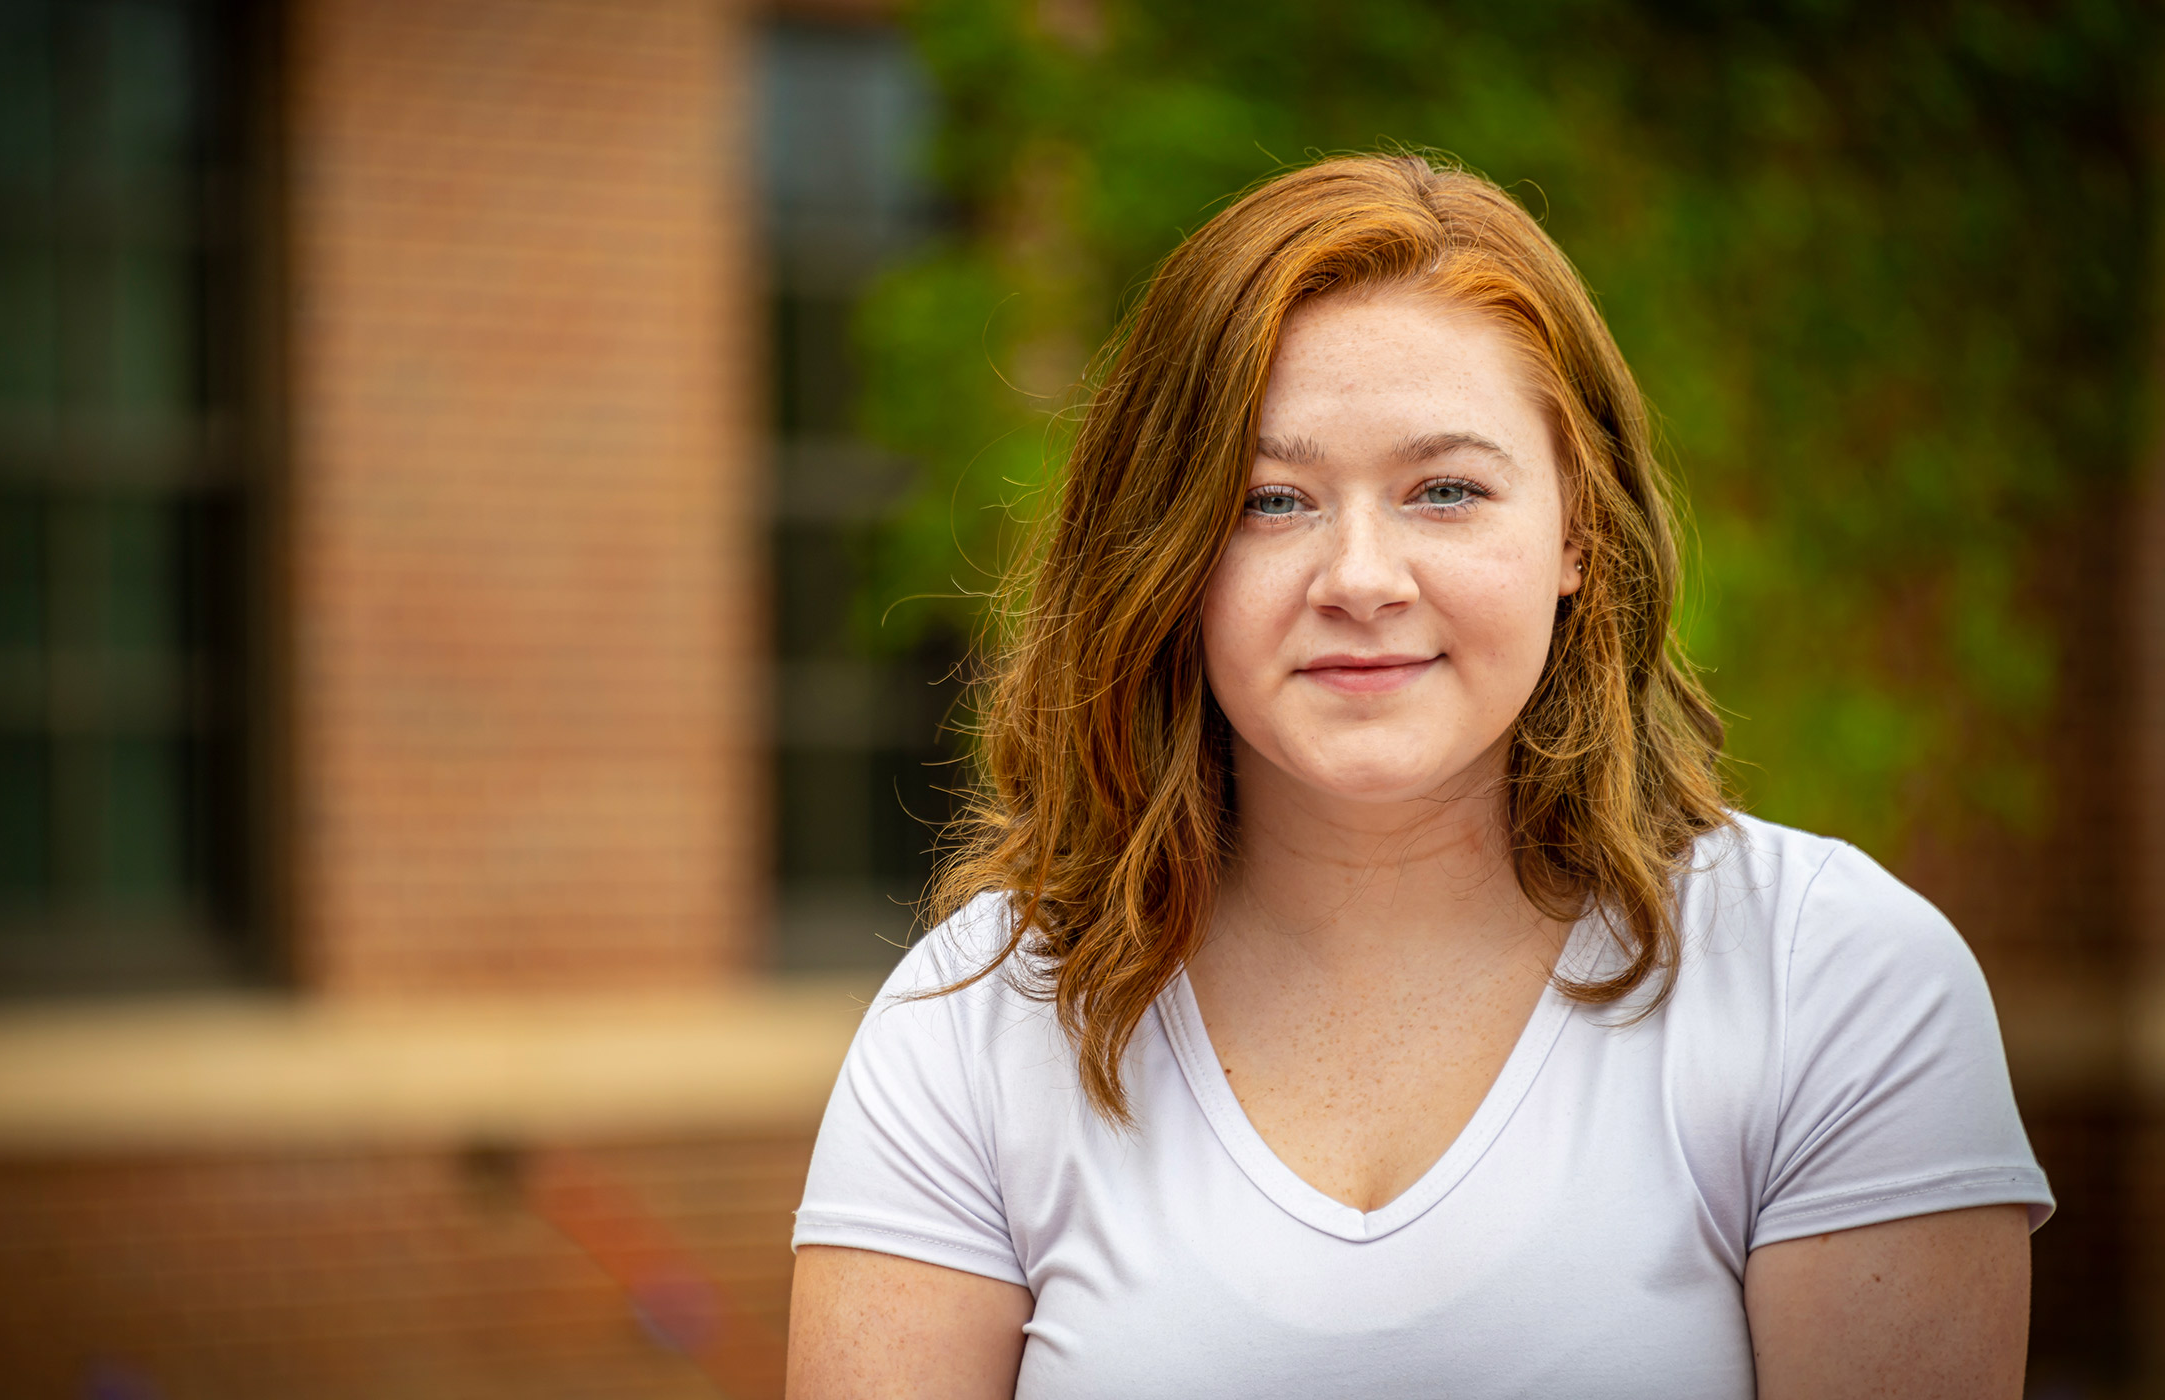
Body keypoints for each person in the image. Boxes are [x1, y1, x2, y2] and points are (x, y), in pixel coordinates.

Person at [784, 154, 2052, 1399]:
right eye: (1270, 500)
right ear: (1164, 555)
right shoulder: (974, 1026)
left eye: (1446, 490)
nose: (1361, 577)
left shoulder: (1831, 983)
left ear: (1578, 535)